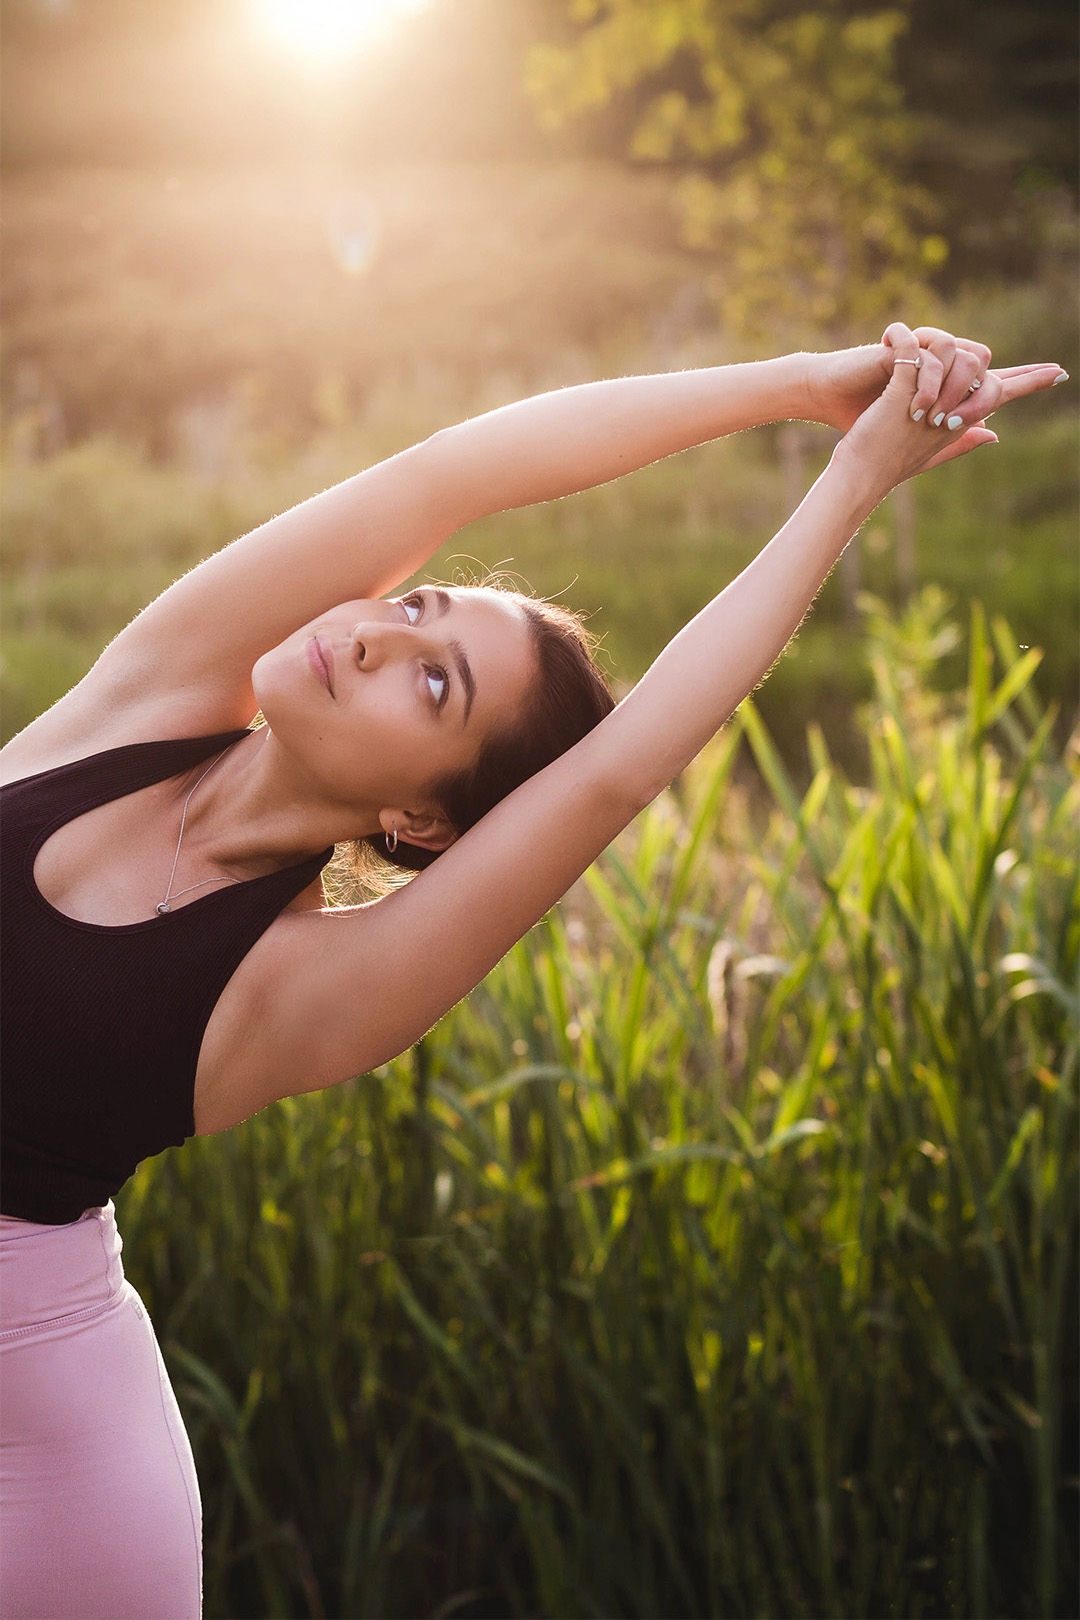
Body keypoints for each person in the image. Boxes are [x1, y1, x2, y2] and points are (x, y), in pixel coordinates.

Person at [0, 320, 1064, 1619]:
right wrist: (803, 385)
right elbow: (455, 473)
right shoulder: (151, 698)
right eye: (412, 609)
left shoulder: (302, 992)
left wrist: (853, 480)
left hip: (41, 1469)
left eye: (436, 689)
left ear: (428, 826)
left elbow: (624, 767)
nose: (375, 636)